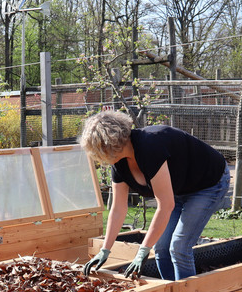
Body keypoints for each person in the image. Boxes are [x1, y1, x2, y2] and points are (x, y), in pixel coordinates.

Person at [81, 111, 230, 281]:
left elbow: (166, 205)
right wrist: (105, 250)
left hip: (208, 183)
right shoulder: (119, 164)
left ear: (108, 144)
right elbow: (118, 209)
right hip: (178, 190)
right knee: (161, 248)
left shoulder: (149, 146)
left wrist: (143, 250)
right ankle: (169, 291)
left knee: (179, 247)